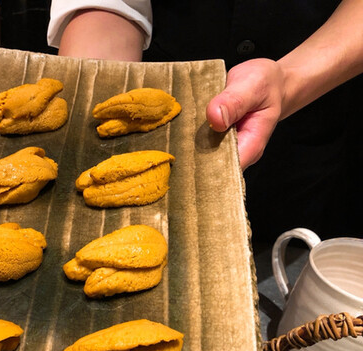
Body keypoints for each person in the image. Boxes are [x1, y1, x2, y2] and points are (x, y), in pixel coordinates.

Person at [47, 1, 363, 241]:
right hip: (162, 93)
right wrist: (97, 86)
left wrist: (290, 79)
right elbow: (110, 9)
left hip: (301, 131)